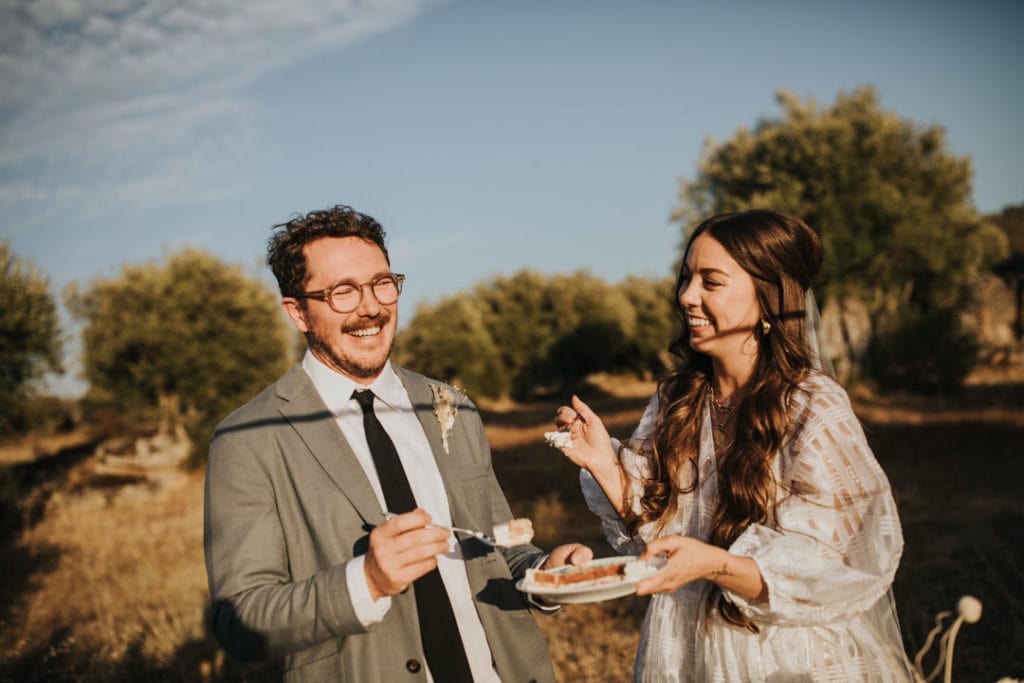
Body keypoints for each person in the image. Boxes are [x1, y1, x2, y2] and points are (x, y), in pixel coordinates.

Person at [204, 204, 592, 682]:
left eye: (381, 283)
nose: (371, 307)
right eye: (342, 292)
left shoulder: (452, 406)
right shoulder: (248, 440)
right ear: (298, 312)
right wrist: (364, 582)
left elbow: (495, 547)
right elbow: (239, 622)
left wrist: (545, 574)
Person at [551, 209, 915, 681]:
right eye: (686, 278)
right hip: (684, 650)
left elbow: (845, 559)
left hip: (782, 654)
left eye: (711, 282)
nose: (686, 296)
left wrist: (719, 565)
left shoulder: (811, 406)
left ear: (767, 297)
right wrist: (603, 462)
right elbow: (657, 534)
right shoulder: (675, 400)